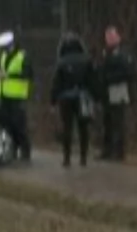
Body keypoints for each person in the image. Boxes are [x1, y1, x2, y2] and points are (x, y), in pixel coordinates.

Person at [50, 33, 95, 167]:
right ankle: (83, 157)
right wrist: (95, 97)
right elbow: (93, 81)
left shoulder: (61, 62)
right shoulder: (87, 60)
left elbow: (56, 83)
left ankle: (67, 158)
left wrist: (53, 101)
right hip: (84, 97)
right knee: (83, 128)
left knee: (67, 128)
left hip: (66, 98)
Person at [0, 30, 33, 162]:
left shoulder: (22, 56)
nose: (3, 50)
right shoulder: (3, 56)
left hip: (17, 96)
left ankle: (25, 150)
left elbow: (28, 74)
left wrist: (8, 76)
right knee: (6, 124)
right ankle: (13, 149)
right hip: (4, 94)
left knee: (18, 123)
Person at [98, 25, 136, 160]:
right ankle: (107, 150)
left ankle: (119, 152)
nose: (110, 40)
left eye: (112, 37)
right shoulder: (105, 54)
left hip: (118, 89)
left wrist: (110, 78)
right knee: (107, 121)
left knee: (117, 122)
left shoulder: (123, 54)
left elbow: (128, 72)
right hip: (107, 91)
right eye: (108, 37)